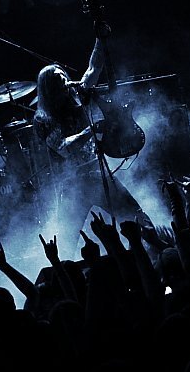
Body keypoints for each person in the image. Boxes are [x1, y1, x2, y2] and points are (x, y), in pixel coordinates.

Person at [32, 26, 153, 254]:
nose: (66, 80)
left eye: (64, 76)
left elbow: (93, 69)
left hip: (96, 173)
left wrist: (100, 37)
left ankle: (155, 251)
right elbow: (63, 148)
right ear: (50, 88)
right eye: (59, 79)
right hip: (73, 185)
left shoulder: (77, 96)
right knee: (65, 241)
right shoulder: (43, 118)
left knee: (135, 215)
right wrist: (91, 130)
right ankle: (63, 270)